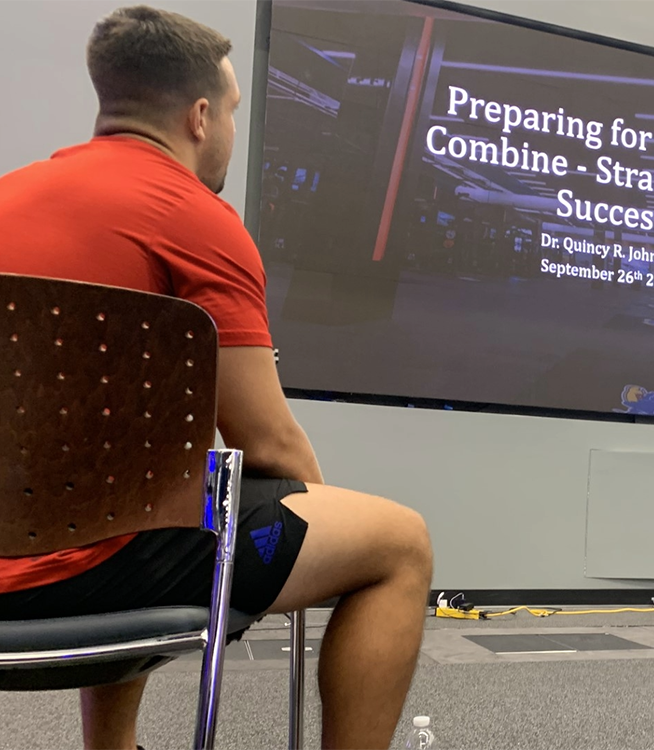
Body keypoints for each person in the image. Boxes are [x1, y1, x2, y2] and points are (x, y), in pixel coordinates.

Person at [0, 7, 432, 750]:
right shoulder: (193, 217)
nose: (231, 128)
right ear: (201, 116)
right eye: (233, 112)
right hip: (86, 568)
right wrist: (319, 512)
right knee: (399, 544)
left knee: (142, 487)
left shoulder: (10, 196)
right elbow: (267, 446)